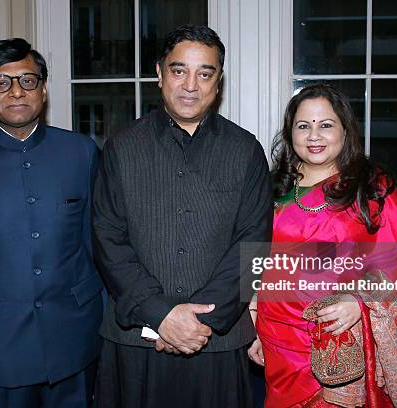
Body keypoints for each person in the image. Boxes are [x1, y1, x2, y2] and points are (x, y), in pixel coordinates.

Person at [93, 24, 273, 408]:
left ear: (218, 81)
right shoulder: (121, 148)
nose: (191, 84)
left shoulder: (246, 151)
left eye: (204, 73)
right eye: (179, 70)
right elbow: (108, 239)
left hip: (218, 342)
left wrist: (198, 324)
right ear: (160, 73)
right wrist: (161, 316)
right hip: (136, 340)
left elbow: (253, 243)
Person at [0, 38, 103, 408]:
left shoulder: (81, 152)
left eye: (27, 80)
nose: (16, 92)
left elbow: (98, 250)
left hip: (76, 342)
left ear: (42, 88)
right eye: (1, 82)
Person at [251, 83, 397, 407]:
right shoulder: (272, 187)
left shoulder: (370, 187)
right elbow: (260, 261)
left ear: (344, 130)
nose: (314, 136)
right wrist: (253, 316)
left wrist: (361, 302)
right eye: (303, 126)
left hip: (342, 335)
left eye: (326, 125)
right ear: (289, 132)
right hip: (279, 336)